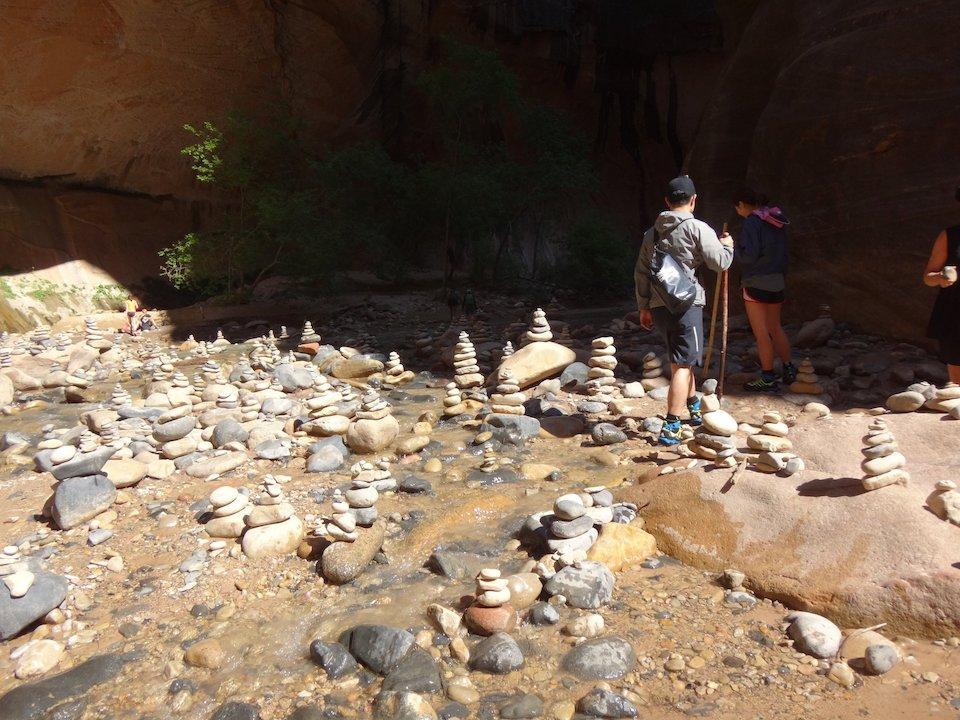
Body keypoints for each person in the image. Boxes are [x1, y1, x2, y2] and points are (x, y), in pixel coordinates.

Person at [635, 175, 734, 446]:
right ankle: (671, 424)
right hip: (687, 304)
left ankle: (692, 405)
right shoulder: (698, 227)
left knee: (679, 359)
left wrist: (643, 307)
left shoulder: (651, 233)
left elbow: (641, 272)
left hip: (658, 305)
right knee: (684, 363)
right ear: (693, 200)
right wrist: (728, 246)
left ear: (667, 202)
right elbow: (720, 263)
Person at [733, 189, 796, 392]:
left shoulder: (753, 221)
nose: (737, 211)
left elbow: (749, 256)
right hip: (777, 280)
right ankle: (789, 368)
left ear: (742, 204)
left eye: (737, 207)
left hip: (756, 282)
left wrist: (730, 249)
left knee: (761, 333)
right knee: (775, 327)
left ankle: (768, 376)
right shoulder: (776, 218)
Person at [923, 188, 960, 384]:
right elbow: (928, 277)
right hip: (955, 314)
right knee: (957, 382)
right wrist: (940, 277)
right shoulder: (950, 236)